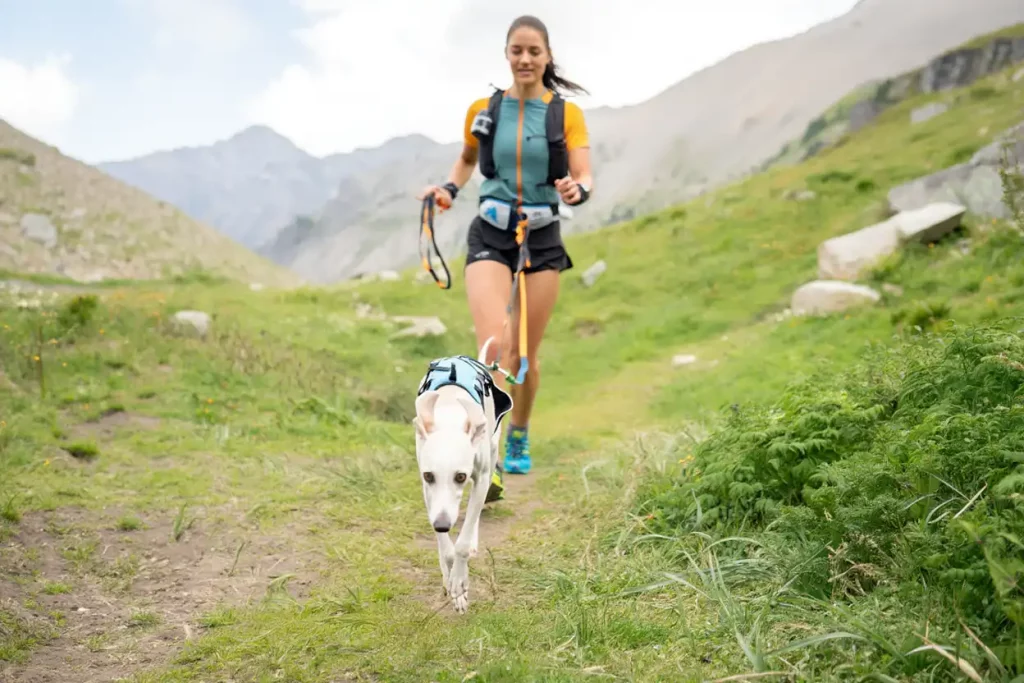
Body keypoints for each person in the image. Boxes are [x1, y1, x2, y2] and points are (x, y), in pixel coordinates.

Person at [417, 14, 593, 502]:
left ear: (548, 56)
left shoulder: (565, 115)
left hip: (543, 238)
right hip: (491, 235)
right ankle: (487, 459)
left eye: (534, 51)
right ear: (506, 55)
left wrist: (577, 190)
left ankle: (519, 430)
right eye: (517, 50)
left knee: (524, 357)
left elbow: (584, 174)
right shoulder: (484, 110)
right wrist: (449, 189)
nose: (525, 59)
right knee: (494, 348)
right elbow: (467, 159)